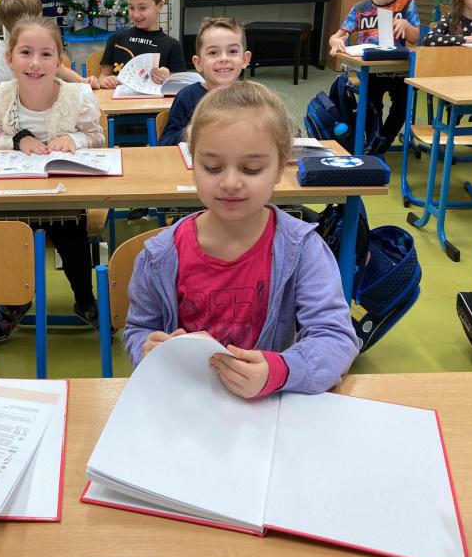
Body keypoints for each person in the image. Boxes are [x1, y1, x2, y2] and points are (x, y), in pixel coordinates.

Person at [125, 82, 359, 398]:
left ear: (280, 167)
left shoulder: (302, 250)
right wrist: (146, 350)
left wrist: (280, 370)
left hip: (267, 407)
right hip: (186, 402)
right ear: (193, 163)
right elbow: (139, 331)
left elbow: (336, 339)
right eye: (212, 167)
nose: (230, 182)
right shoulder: (160, 256)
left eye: (251, 169)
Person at [0, 15, 104, 343]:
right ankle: (14, 300)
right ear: (10, 59)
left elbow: (97, 137)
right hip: (13, 196)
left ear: (59, 61)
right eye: (25, 53)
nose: (35, 63)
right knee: (8, 239)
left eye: (46, 54)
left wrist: (73, 139)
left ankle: (84, 299)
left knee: (72, 236)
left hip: (62, 196)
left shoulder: (76, 97)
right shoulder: (1, 98)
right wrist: (18, 139)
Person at [328, 0, 420, 154]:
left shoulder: (407, 4)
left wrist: (407, 25)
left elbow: (415, 38)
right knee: (371, 107)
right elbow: (337, 35)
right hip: (370, 71)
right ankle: (373, 140)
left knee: (402, 106)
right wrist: (335, 41)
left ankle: (380, 144)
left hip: (399, 70)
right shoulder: (360, 8)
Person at [0, 0, 96, 93]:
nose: (42, 19)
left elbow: (60, 69)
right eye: (39, 17)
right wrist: (8, 97)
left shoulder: (40, 45)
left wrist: (83, 81)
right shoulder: (5, 53)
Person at [159, 16, 251, 146]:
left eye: (232, 51)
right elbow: (164, 144)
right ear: (198, 63)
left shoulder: (252, 97)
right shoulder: (187, 97)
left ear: (245, 60)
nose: (224, 58)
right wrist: (190, 132)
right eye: (213, 53)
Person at [97, 0, 186, 89]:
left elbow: (180, 87)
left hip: (154, 101)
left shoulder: (172, 46)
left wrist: (168, 78)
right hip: (120, 100)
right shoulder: (116, 40)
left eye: (142, 8)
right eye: (131, 7)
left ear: (160, 5)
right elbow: (103, 76)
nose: (136, 15)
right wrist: (105, 81)